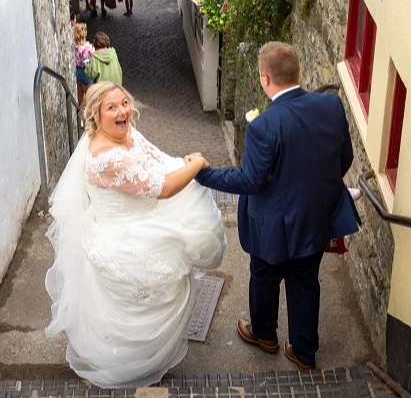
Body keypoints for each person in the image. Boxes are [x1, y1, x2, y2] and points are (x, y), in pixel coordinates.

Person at [45, 82, 227, 388]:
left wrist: (181, 163)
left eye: (124, 103)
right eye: (112, 108)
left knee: (164, 287)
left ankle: (141, 352)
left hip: (140, 217)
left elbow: (158, 162)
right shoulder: (106, 158)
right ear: (95, 116)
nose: (122, 111)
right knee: (146, 297)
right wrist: (196, 164)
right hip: (122, 237)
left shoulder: (125, 133)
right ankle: (127, 361)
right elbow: (164, 188)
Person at [194, 41, 355, 370]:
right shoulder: (331, 106)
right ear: (298, 72)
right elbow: (345, 158)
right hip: (315, 220)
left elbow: (250, 181)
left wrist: (204, 174)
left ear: (265, 79)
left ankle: (264, 334)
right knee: (306, 282)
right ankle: (304, 352)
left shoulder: (263, 127)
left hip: (272, 228)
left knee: (264, 277)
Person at [73, 23, 93, 108]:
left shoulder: (75, 47)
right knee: (89, 96)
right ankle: (81, 114)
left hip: (77, 71)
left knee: (80, 96)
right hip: (85, 72)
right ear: (84, 33)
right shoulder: (88, 48)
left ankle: (78, 113)